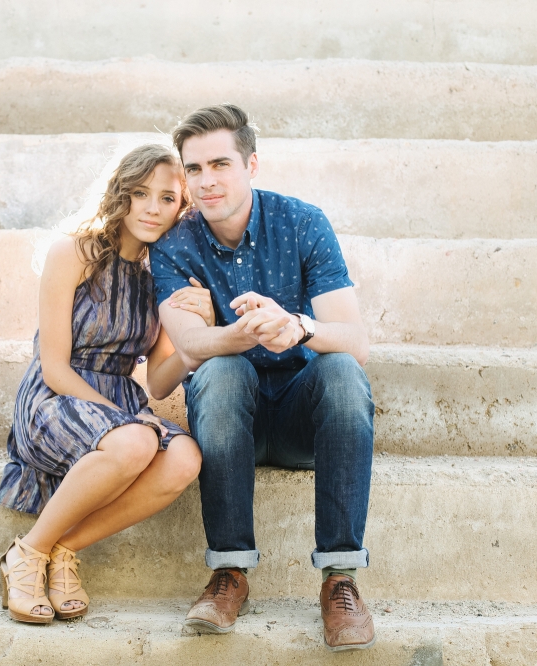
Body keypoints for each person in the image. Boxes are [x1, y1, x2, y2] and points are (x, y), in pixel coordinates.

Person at [149, 105, 376, 651]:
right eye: (194, 169)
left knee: (342, 370)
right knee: (223, 368)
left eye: (220, 164)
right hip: (229, 423)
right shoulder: (175, 245)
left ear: (251, 163)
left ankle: (340, 579)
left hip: (303, 418)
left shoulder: (302, 222)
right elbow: (192, 345)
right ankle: (229, 573)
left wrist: (295, 325)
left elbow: (356, 340)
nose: (207, 182)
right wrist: (249, 330)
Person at [0, 144, 209, 624]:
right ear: (121, 194)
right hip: (57, 396)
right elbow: (54, 366)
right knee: (135, 441)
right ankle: (26, 553)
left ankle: (63, 549)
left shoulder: (163, 277)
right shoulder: (74, 252)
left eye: (168, 198)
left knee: (184, 458)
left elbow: (157, 382)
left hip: (121, 403)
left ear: (183, 207)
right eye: (140, 193)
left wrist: (195, 341)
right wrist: (124, 425)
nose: (153, 208)